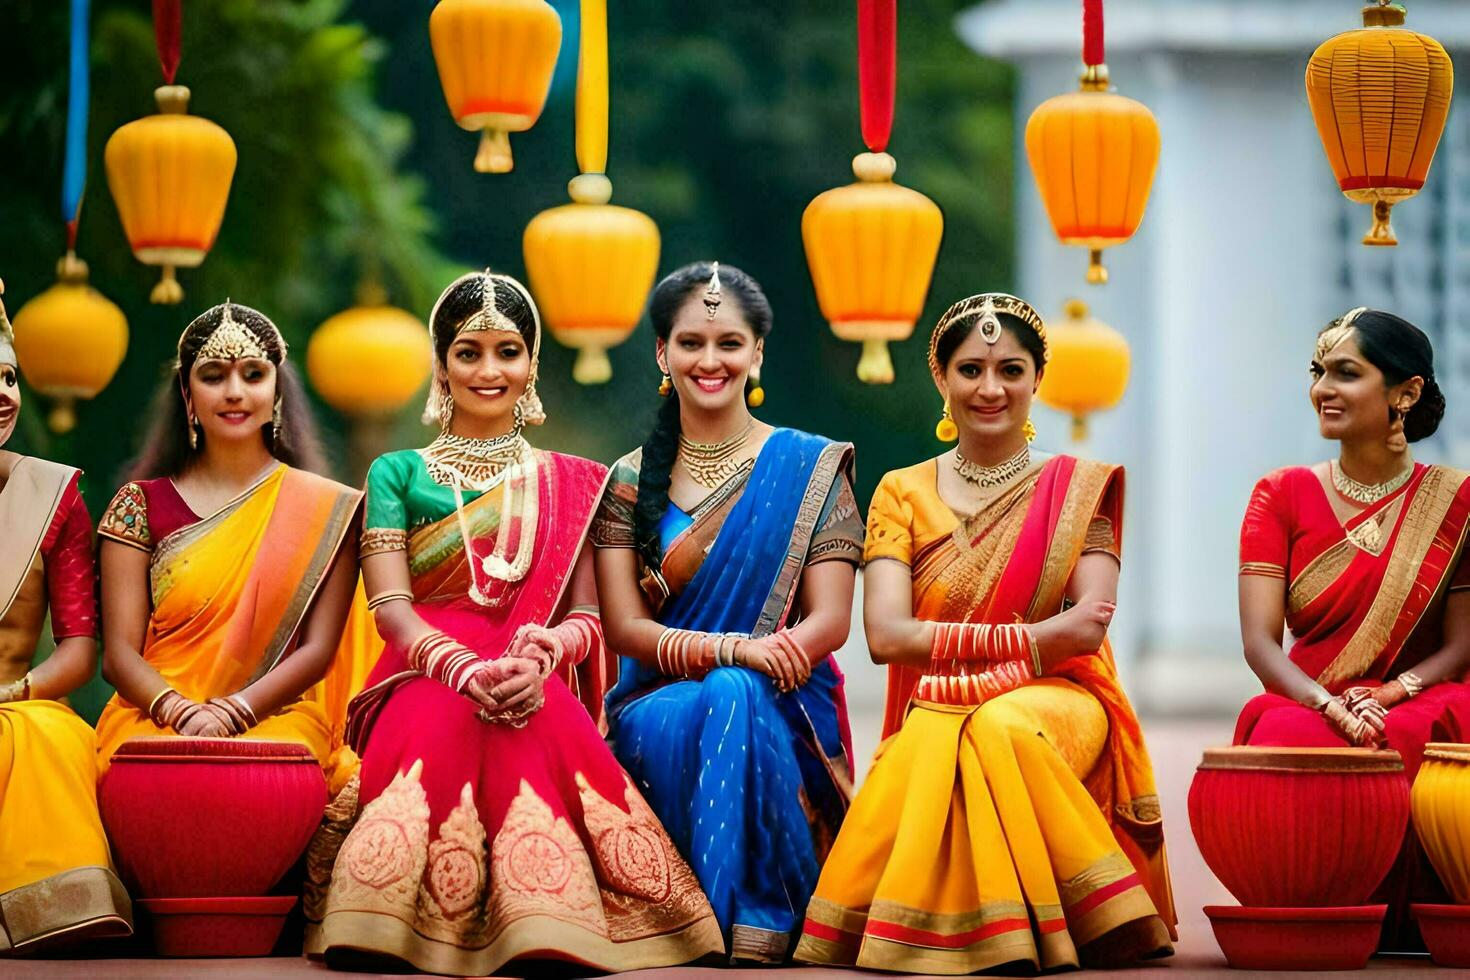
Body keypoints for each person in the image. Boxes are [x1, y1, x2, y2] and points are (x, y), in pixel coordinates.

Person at [309, 270, 721, 974]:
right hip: (422, 670)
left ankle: (550, 923)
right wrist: (464, 669)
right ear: (440, 366)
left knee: (541, 723)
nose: (489, 370)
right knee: (447, 728)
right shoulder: (398, 473)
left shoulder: (580, 481)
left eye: (508, 351)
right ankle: (400, 923)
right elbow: (391, 612)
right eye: (468, 352)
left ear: (532, 364)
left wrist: (547, 652)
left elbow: (591, 616)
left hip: (533, 673)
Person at [795, 292, 1175, 974]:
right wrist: (1031, 638)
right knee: (959, 726)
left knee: (993, 725)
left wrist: (1002, 659)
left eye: (1011, 370)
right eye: (970, 369)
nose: (991, 388)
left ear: (1038, 378)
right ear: (941, 379)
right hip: (945, 697)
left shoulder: (1078, 489)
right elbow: (883, 635)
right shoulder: (900, 492)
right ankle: (1003, 935)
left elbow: (1087, 626)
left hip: (1060, 701)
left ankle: (1071, 922)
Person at [592, 261, 863, 962]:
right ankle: (743, 917)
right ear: (662, 353)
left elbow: (828, 621)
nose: (709, 361)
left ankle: (733, 918)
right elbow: (623, 629)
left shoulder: (808, 467)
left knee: (737, 694)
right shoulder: (627, 478)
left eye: (729, 343)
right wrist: (733, 652)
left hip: (784, 694)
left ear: (758, 353)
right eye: (690, 343)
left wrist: (752, 664)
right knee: (727, 687)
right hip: (657, 704)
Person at [1233, 307, 1470, 947]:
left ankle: (1414, 920)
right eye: (1318, 372)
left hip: (1414, 692)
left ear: (1406, 392)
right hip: (1310, 695)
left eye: (1346, 372)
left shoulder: (1457, 500)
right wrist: (1330, 706)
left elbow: (1463, 644)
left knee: (1428, 730)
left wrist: (1396, 692)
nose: (1323, 389)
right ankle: (1312, 912)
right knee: (1285, 732)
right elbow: (1260, 644)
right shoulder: (1278, 494)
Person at [95, 301, 366, 796]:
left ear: (277, 391)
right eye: (214, 376)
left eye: (254, 374)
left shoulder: (327, 510)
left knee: (277, 768)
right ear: (186, 393)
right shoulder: (140, 505)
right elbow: (118, 655)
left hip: (275, 717)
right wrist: (181, 712)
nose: (235, 392)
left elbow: (319, 650)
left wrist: (232, 712)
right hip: (152, 718)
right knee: (148, 768)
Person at [0, 281, 131, 952]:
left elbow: (80, 649)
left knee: (45, 735)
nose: (4, 395)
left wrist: (13, 692)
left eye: (9, 377)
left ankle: (54, 917)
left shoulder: (53, 494)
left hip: (17, 699)